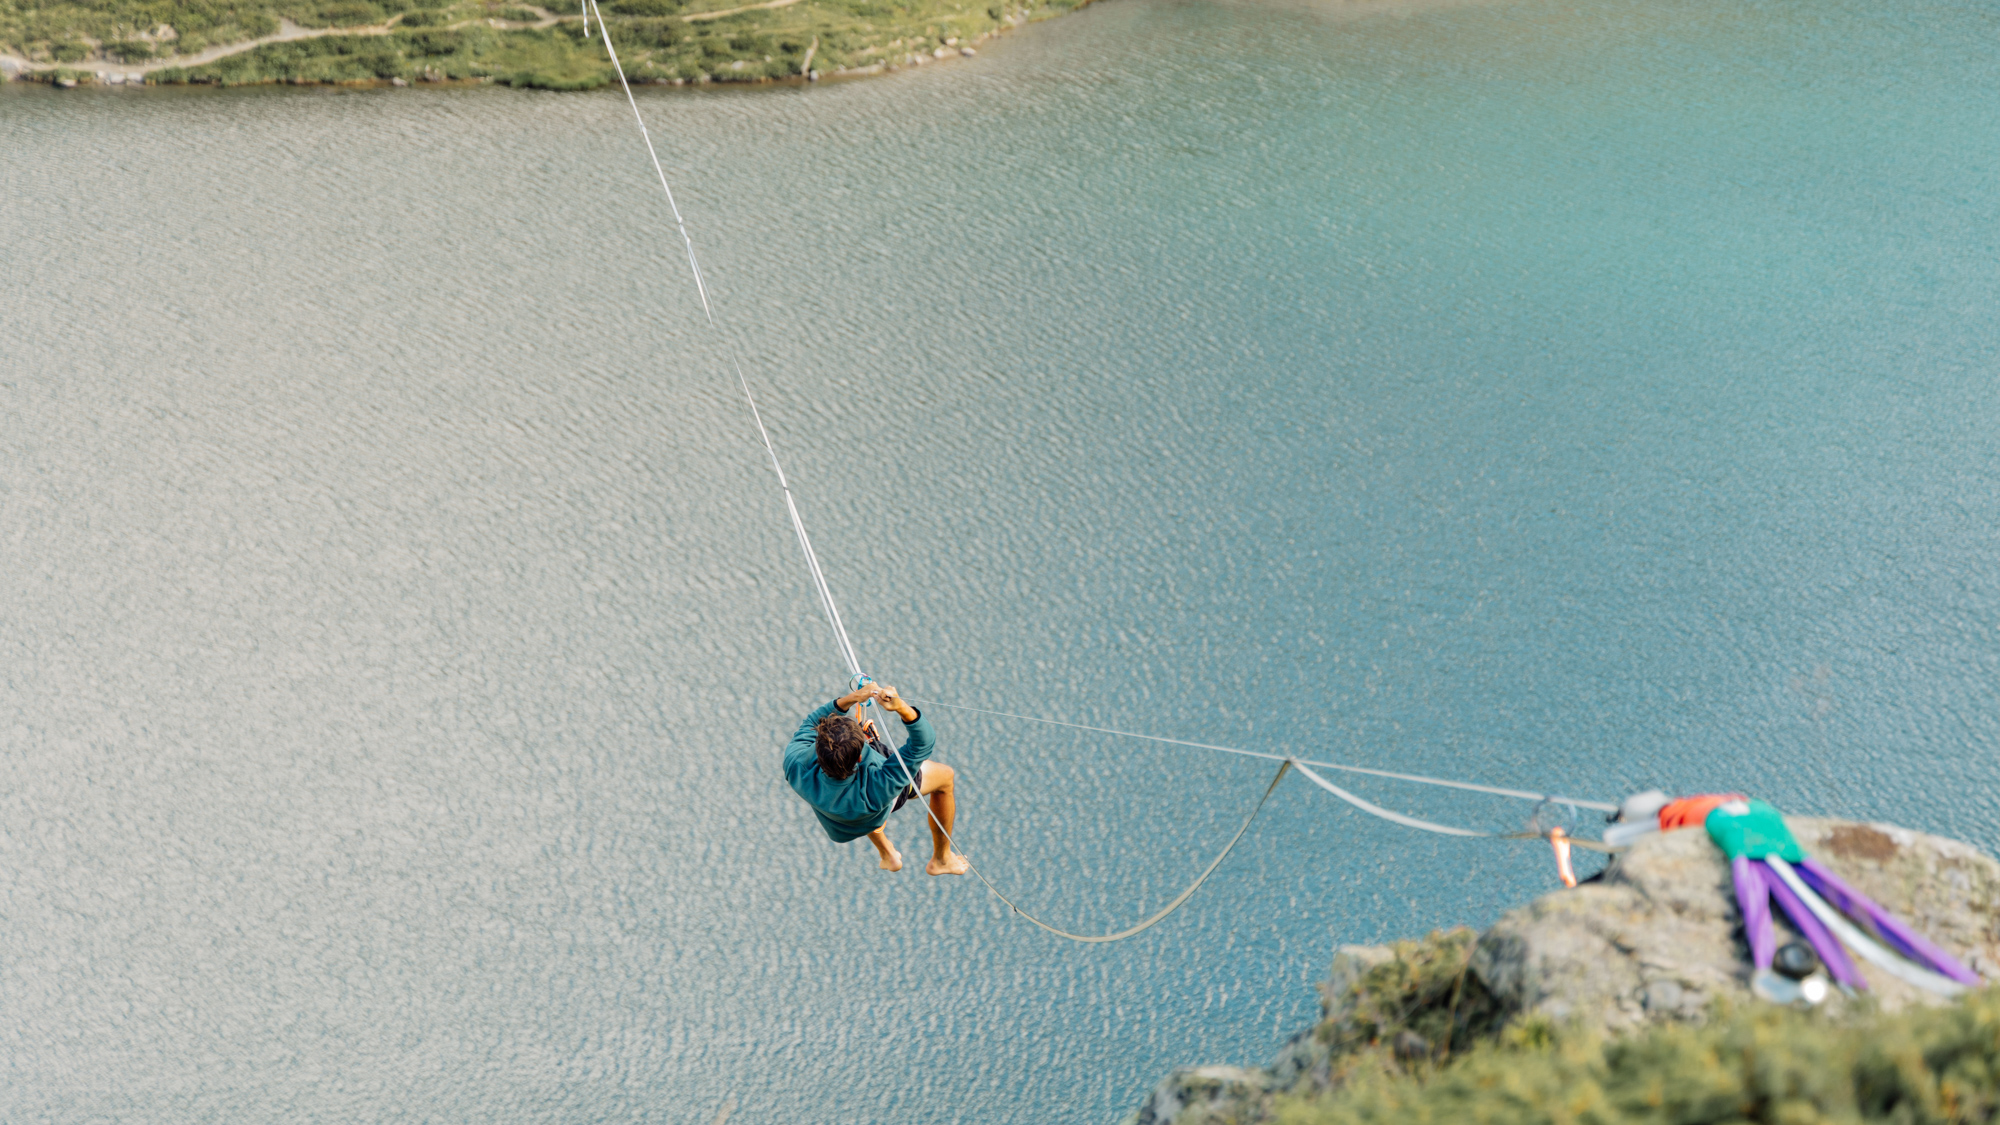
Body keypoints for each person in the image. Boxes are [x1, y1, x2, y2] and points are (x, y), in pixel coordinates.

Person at [782, 681, 969, 876]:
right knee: (946, 777)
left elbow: (811, 722)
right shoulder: (880, 785)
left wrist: (852, 699)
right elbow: (922, 744)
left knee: (859, 806)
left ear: (818, 748)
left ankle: (888, 854)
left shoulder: (794, 763)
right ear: (861, 757)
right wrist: (902, 708)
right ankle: (942, 859)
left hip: (842, 822)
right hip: (872, 804)